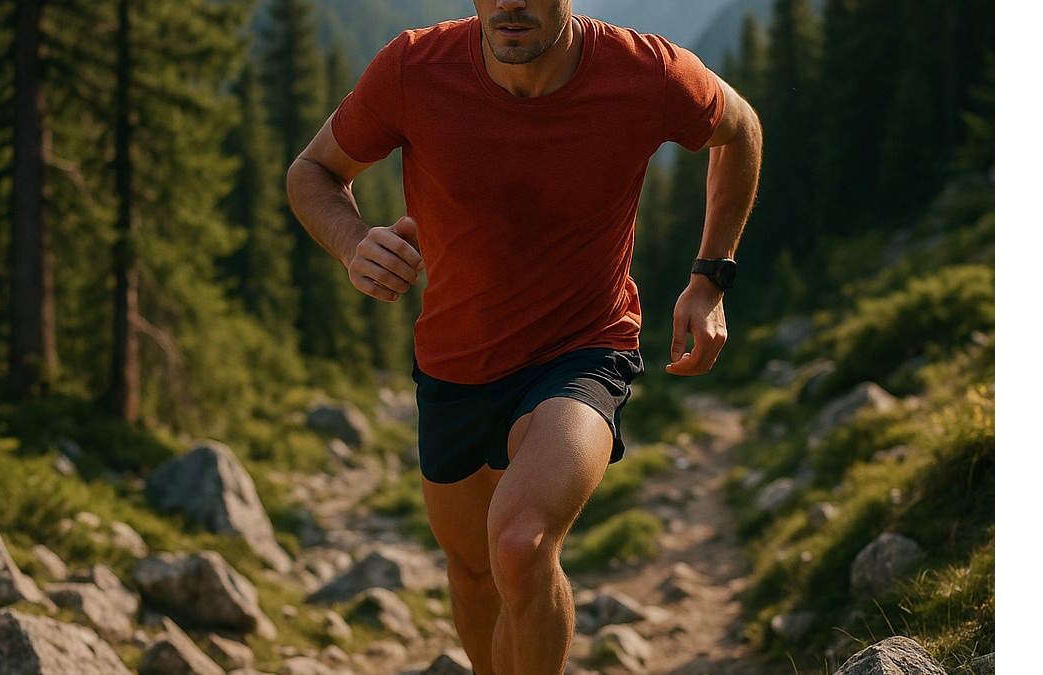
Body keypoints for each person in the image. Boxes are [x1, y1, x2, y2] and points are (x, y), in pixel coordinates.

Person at [286, 1, 762, 672]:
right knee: (473, 573)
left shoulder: (644, 73)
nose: (510, 3)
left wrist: (710, 278)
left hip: (583, 352)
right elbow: (311, 171)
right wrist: (353, 241)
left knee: (519, 545)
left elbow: (741, 130)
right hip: (454, 361)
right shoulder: (413, 69)